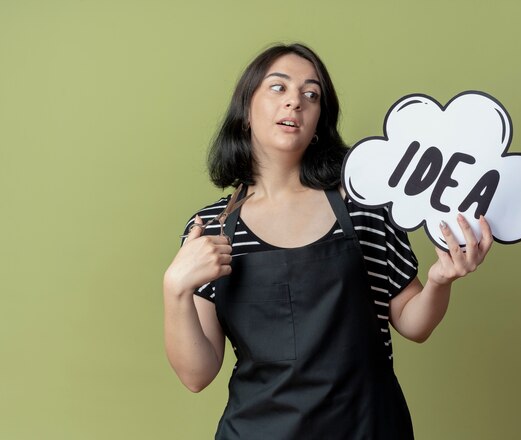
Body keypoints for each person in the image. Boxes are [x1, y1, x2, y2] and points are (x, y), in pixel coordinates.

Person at [163, 43, 493, 439]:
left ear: (319, 120)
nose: (295, 103)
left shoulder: (364, 207)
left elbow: (413, 322)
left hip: (367, 427)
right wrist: (175, 290)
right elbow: (197, 375)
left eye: (310, 94)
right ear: (245, 111)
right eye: (278, 88)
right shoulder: (212, 230)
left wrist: (441, 279)